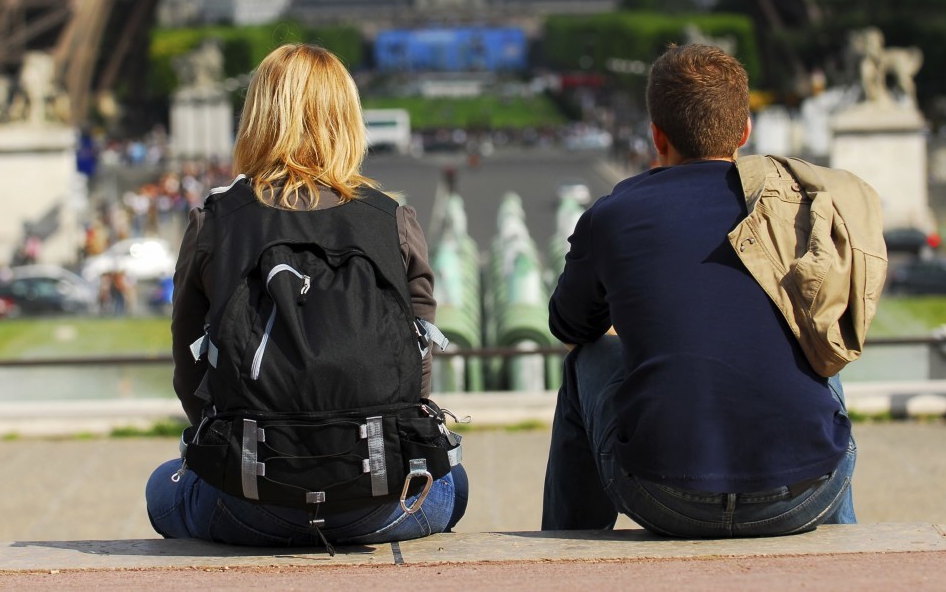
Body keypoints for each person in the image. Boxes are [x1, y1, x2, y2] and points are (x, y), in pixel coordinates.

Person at [542, 43, 886, 537]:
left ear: (656, 135)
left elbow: (570, 326)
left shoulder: (613, 214)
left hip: (662, 494)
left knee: (587, 362)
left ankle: (568, 541)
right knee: (819, 351)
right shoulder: (792, 207)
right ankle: (845, 546)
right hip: (807, 495)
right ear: (745, 131)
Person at [146, 43, 467, 547]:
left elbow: (190, 372)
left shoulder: (214, 222)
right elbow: (417, 369)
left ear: (257, 119)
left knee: (160, 487)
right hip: (381, 499)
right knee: (454, 482)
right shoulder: (393, 220)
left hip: (248, 499)